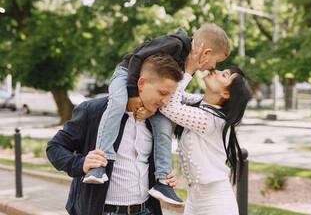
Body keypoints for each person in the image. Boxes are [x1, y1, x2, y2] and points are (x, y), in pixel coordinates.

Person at [84, 24, 231, 205]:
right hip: (126, 74)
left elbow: (171, 96)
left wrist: (152, 108)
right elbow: (137, 58)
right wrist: (132, 93)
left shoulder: (184, 62)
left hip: (145, 88)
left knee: (163, 125)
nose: (213, 67)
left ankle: (162, 181)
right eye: (216, 62)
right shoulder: (175, 45)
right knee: (117, 103)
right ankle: (100, 164)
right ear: (206, 53)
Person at [46, 54, 183, 215]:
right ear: (141, 83)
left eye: (169, 95)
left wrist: (162, 178)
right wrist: (81, 164)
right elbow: (54, 147)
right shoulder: (92, 111)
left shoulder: (155, 121)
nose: (166, 101)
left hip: (146, 210)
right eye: (162, 93)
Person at [159, 44, 253, 215]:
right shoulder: (201, 105)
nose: (216, 71)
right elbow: (171, 94)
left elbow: (168, 106)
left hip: (216, 205)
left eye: (224, 75)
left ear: (226, 94)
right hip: (194, 202)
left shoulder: (210, 121)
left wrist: (189, 70)